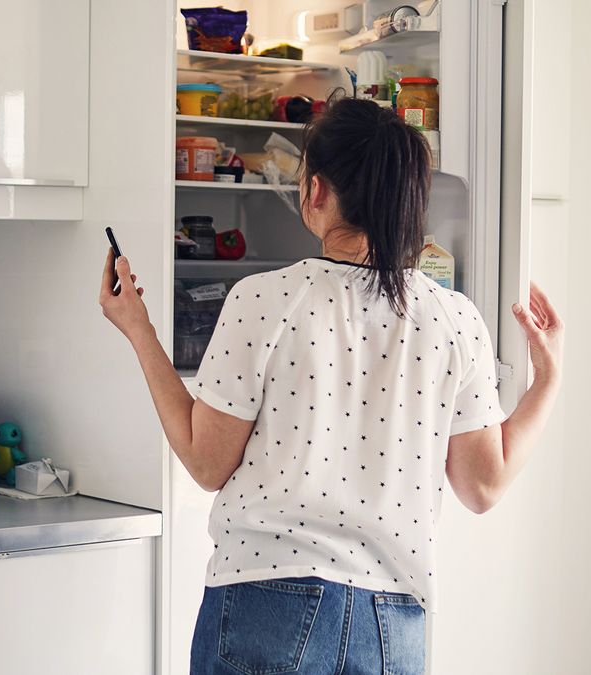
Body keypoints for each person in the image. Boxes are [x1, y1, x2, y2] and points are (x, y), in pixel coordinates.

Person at [99, 98, 564, 674]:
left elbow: (206, 461)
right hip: (393, 625)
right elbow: (482, 485)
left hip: (266, 598)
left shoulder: (263, 300)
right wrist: (547, 381)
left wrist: (140, 331)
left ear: (316, 192)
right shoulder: (456, 319)